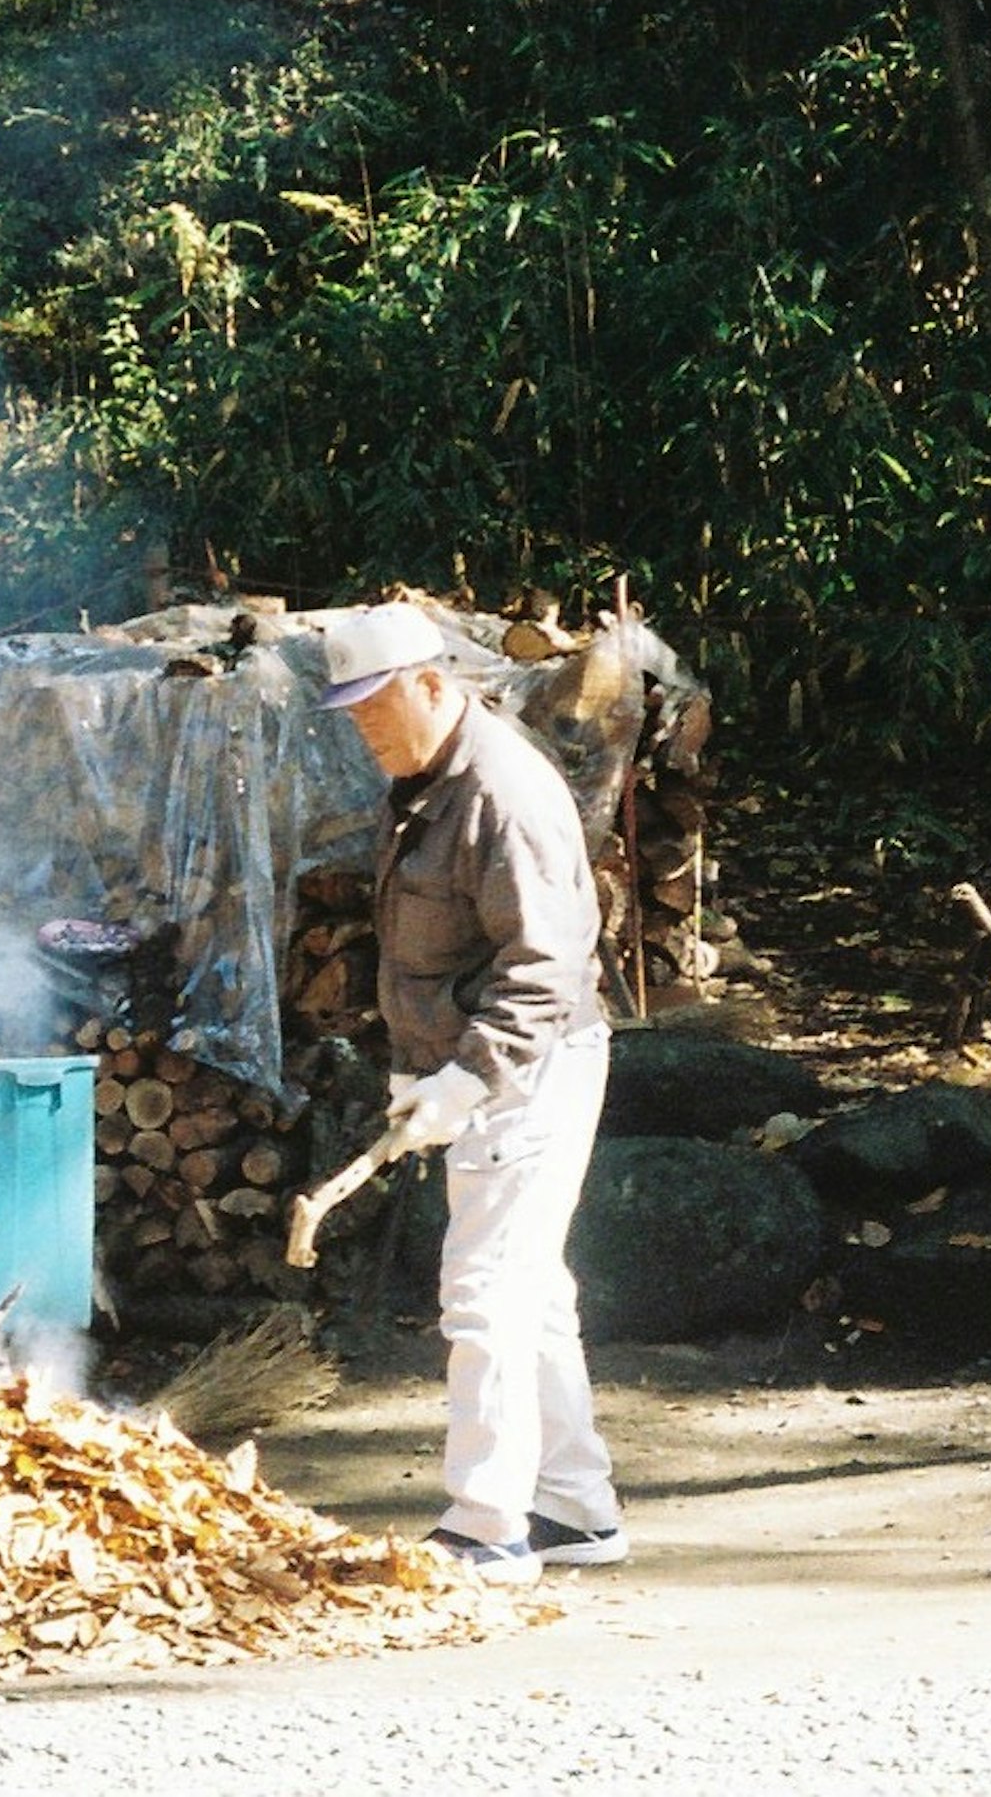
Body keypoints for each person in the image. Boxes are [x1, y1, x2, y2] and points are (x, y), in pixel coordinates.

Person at [318, 598, 626, 1583]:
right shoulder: (424, 778)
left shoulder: (500, 787)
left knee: (483, 1289)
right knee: (529, 1292)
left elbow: (545, 962)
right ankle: (575, 1509)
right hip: (488, 1067)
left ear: (435, 683)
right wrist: (426, 1068)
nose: (366, 729)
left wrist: (468, 1074)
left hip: (532, 1066)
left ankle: (487, 1524)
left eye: (377, 707)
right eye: (353, 713)